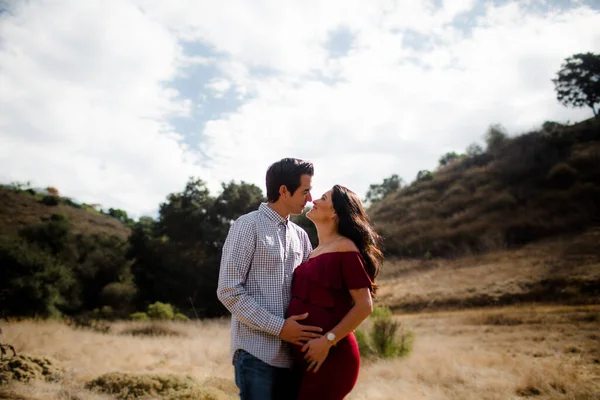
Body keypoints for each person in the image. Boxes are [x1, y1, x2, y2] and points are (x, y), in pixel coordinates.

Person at [217, 157, 324, 400]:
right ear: (284, 190)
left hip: (294, 356)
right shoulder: (247, 226)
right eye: (305, 191)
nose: (309, 198)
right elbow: (228, 290)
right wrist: (280, 328)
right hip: (256, 353)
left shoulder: (301, 236)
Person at [286, 184, 383, 400]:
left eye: (323, 198)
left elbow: (364, 306)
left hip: (332, 356)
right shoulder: (313, 252)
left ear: (335, 213)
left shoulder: (345, 248)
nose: (314, 200)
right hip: (305, 358)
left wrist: (327, 341)